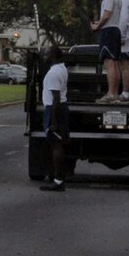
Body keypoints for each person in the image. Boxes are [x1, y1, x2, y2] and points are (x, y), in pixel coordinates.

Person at [93, 0, 129, 104]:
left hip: (109, 30)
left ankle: (111, 93)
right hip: (115, 30)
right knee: (115, 62)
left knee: (109, 63)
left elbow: (106, 15)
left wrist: (97, 26)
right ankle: (115, 93)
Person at [38, 44, 70, 191]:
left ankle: (58, 180)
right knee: (58, 144)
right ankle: (59, 177)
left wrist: (53, 121)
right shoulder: (61, 68)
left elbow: (55, 98)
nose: (44, 56)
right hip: (60, 107)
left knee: (56, 145)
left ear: (53, 56)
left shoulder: (53, 74)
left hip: (54, 109)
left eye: (46, 54)